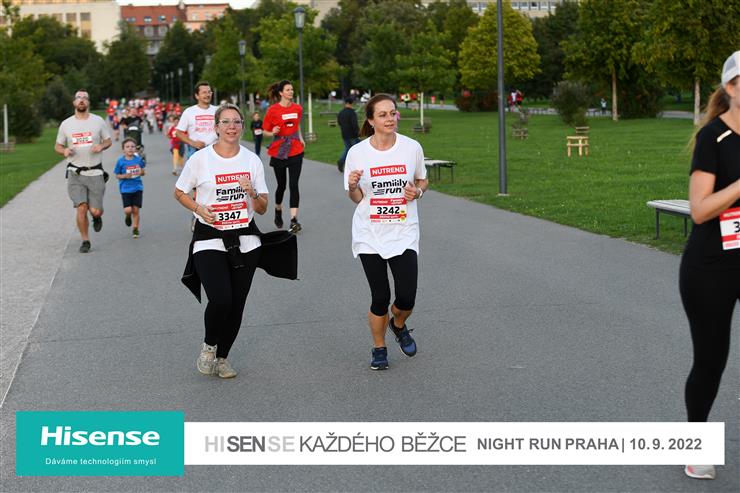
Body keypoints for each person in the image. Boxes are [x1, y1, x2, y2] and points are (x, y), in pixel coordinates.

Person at [173, 103, 270, 379]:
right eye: (225, 122)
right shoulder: (200, 159)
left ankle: (223, 358)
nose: (231, 126)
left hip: (245, 240)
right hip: (209, 238)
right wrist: (198, 208)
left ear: (243, 127)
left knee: (237, 304)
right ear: (216, 127)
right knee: (221, 298)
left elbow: (262, 207)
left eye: (236, 122)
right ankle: (209, 346)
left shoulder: (252, 160)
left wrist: (252, 193)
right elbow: (179, 192)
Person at [679, 50, 740, 481]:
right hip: (711, 267)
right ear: (731, 88)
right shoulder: (712, 138)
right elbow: (699, 210)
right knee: (711, 360)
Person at [344, 94, 428, 370]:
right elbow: (356, 198)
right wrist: (353, 186)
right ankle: (379, 348)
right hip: (370, 233)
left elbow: (422, 180)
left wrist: (418, 192)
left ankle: (398, 324)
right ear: (371, 120)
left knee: (407, 297)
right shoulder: (357, 153)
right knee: (380, 296)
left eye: (393, 113)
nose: (390, 118)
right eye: (383, 115)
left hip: (403, 231)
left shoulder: (411, 147)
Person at [55, 89, 112, 253]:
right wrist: (64, 151)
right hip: (75, 173)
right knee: (81, 207)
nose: (81, 100)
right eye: (78, 98)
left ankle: (96, 217)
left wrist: (101, 146)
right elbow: (58, 146)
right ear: (74, 102)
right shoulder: (66, 124)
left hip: (95, 172)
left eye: (85, 98)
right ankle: (85, 240)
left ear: (88, 102)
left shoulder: (98, 121)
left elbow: (108, 141)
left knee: (95, 210)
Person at [262, 79, 305, 233]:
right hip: (279, 150)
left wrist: (301, 138)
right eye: (288, 90)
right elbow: (264, 131)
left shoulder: (297, 108)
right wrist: (271, 132)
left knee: (294, 185)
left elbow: (296, 125)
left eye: (292, 89)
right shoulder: (272, 110)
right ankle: (278, 209)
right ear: (281, 93)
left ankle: (294, 220)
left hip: (295, 149)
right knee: (282, 185)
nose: (291, 92)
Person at [176, 81, 218, 160]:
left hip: (215, 151)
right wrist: (193, 143)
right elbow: (178, 133)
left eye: (209, 92)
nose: (207, 95)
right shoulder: (189, 112)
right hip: (195, 152)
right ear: (197, 96)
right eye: (204, 92)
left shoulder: (218, 111)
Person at [114, 138, 146, 238]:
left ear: (135, 148)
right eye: (127, 147)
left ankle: (135, 229)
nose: (130, 148)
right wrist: (124, 176)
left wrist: (141, 172)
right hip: (125, 189)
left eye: (132, 146)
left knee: (136, 209)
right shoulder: (120, 161)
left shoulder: (138, 160)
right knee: (128, 210)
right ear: (123, 149)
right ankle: (128, 216)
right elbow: (117, 175)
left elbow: (143, 172)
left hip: (137, 188)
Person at [336, 97, 360, 173]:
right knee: (358, 149)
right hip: (353, 134)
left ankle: (341, 161)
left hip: (344, 134)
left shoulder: (341, 112)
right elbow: (354, 124)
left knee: (347, 148)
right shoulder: (352, 113)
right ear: (351, 103)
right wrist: (358, 133)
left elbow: (339, 122)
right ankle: (357, 165)